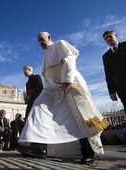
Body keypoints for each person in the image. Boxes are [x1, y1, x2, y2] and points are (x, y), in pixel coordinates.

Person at [18, 32, 109, 164]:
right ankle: (39, 148)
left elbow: (70, 61)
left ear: (49, 38)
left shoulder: (60, 44)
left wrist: (67, 80)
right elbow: (47, 77)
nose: (41, 43)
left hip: (68, 85)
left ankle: (88, 151)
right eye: (38, 41)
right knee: (38, 107)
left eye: (42, 40)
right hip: (51, 89)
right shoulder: (45, 56)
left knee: (78, 117)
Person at [102, 30, 126, 115]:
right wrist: (112, 92)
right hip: (122, 88)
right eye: (106, 38)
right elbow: (109, 75)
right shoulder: (105, 57)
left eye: (110, 36)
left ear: (116, 36)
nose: (108, 39)